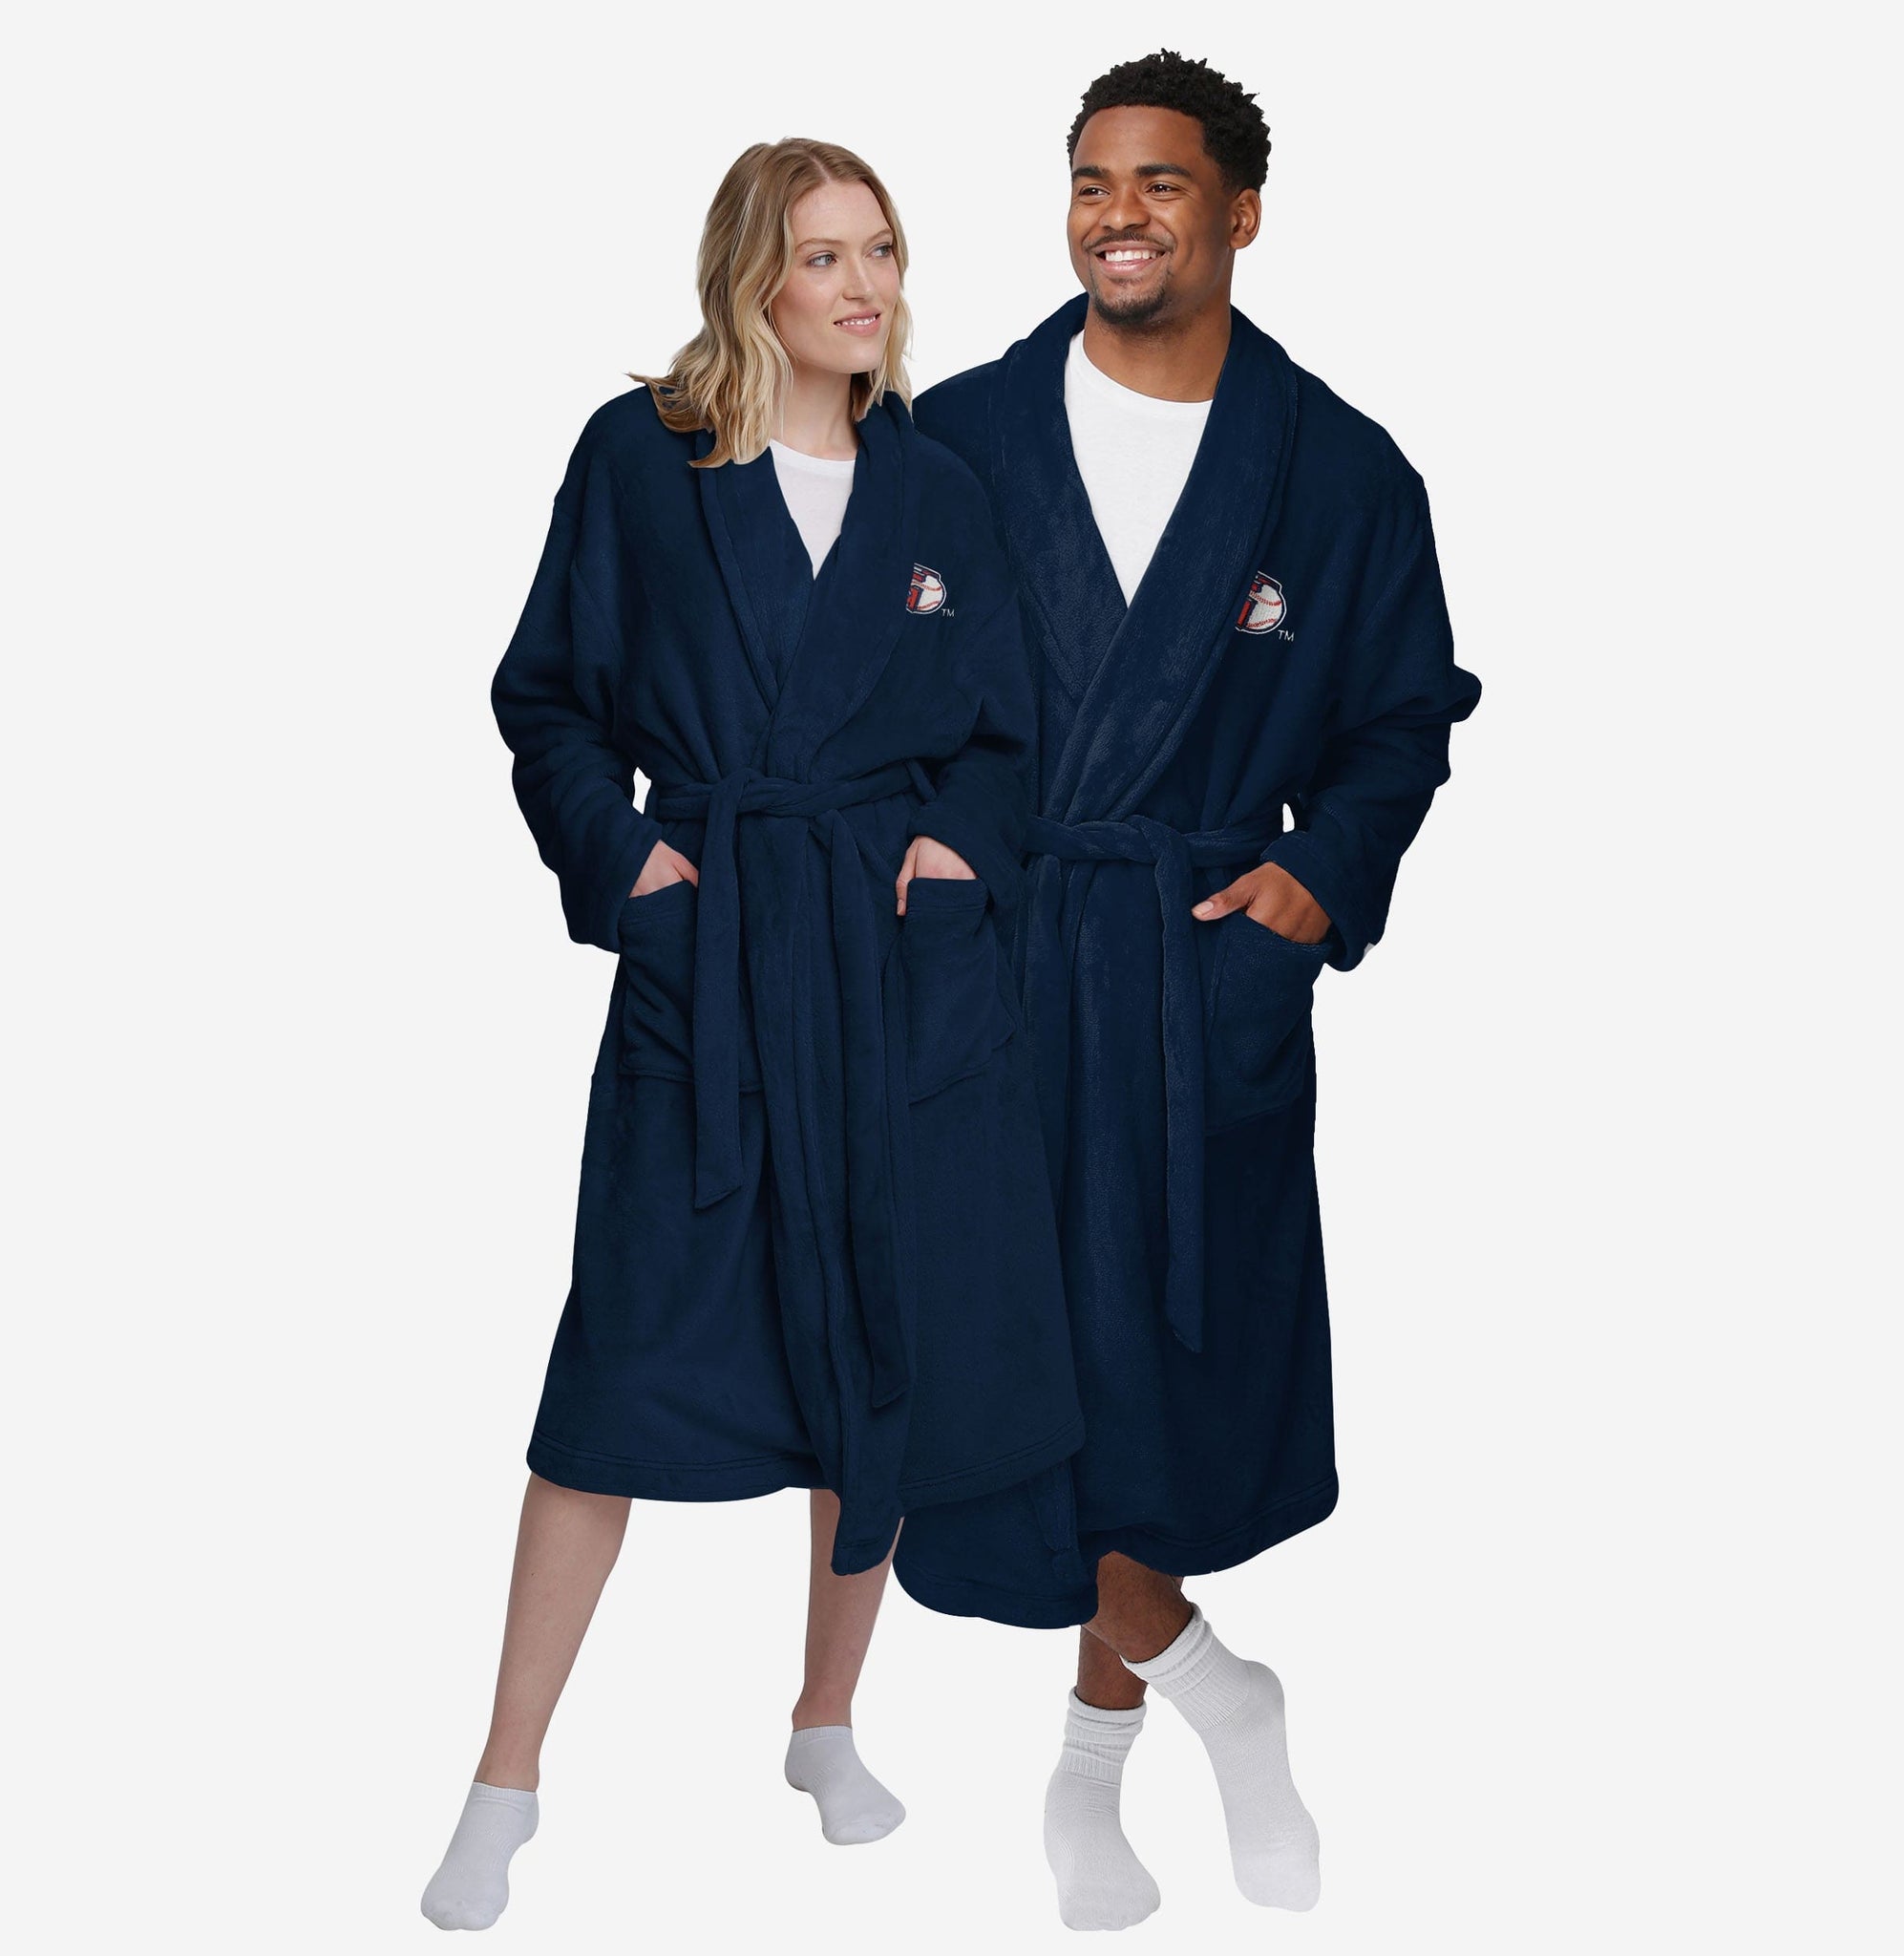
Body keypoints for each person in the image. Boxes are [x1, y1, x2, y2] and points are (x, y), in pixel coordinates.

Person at [421, 137, 1080, 1931]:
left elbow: (1006, 738)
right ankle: (504, 1776)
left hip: (889, 971)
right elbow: (545, 697)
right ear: (751, 279)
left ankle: (825, 1721)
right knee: (616, 1375)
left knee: (876, 1347)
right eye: (824, 256)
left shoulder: (936, 487)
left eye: (883, 250)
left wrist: (956, 856)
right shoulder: (643, 459)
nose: (864, 287)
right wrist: (633, 870)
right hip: (709, 962)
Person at [890, 53, 1482, 1929]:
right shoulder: (959, 437)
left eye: (1159, 181)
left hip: (1185, 970)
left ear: (1240, 210)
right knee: (996, 1383)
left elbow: (1402, 715)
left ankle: (1086, 1777)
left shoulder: (1336, 468)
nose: (1117, 214)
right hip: (989, 968)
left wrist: (1317, 880)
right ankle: (1218, 1692)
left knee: (1134, 1385)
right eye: (1090, 181)